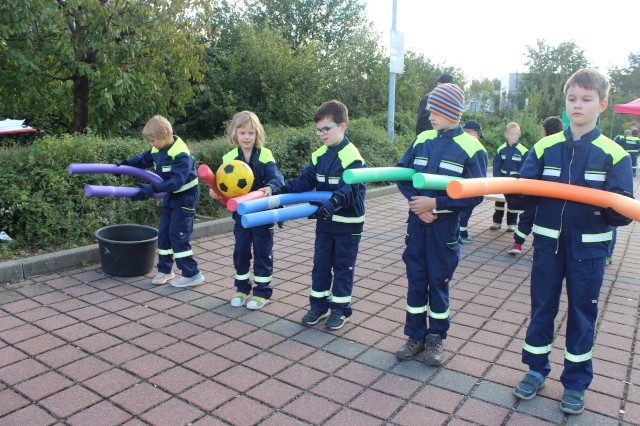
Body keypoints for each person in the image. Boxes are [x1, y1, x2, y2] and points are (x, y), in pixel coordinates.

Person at [511, 68, 633, 415]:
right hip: (547, 246)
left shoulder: (615, 155)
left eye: (586, 99)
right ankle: (535, 370)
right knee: (542, 309)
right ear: (565, 104)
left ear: (602, 105)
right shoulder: (545, 147)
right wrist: (514, 190)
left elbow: (621, 209)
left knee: (583, 313)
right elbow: (525, 196)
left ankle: (576, 383)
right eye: (572, 99)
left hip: (589, 251)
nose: (577, 105)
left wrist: (616, 208)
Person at [395, 83, 487, 366]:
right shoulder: (423, 139)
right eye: (429, 110)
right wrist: (417, 204)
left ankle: (435, 338)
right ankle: (415, 336)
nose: (430, 115)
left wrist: (436, 205)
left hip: (443, 230)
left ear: (451, 111)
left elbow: (476, 193)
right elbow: (402, 174)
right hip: (417, 225)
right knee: (415, 283)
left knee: (438, 283)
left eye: (435, 110)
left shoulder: (472, 148)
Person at [273, 100, 367, 330]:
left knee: (343, 267)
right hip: (325, 222)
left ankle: (340, 310)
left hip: (347, 225)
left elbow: (349, 190)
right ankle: (318, 306)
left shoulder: (352, 157)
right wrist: (284, 189)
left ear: (343, 127)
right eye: (319, 130)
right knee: (321, 265)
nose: (322, 134)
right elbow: (307, 181)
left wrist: (332, 203)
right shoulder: (318, 156)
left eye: (327, 129)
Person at [116, 115, 204, 287]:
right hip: (171, 195)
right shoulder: (158, 148)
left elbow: (176, 182)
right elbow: (142, 160)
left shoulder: (181, 155)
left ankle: (192, 273)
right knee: (164, 233)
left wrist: (151, 189)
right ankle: (165, 270)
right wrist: (124, 165)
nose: (151, 144)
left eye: (152, 140)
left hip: (185, 197)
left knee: (178, 235)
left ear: (164, 136)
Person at [210, 111, 284, 310]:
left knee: (262, 251)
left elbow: (276, 178)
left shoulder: (265, 155)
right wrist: (216, 193)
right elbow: (223, 186)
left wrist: (270, 187)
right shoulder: (229, 158)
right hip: (241, 215)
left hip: (262, 214)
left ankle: (262, 291)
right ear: (235, 133)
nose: (246, 137)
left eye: (251, 133)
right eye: (242, 132)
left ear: (257, 134)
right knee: (241, 251)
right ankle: (241, 288)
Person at [508, 116, 563, 255]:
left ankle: (518, 245)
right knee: (549, 226)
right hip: (557, 200)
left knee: (527, 218)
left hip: (536, 196)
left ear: (544, 131)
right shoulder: (568, 147)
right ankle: (540, 251)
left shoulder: (542, 145)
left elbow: (528, 173)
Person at [490, 122, 528, 232]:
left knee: (513, 203)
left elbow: (523, 167)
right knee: (499, 202)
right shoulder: (500, 149)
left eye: (516, 134)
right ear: (506, 134)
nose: (513, 136)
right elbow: (497, 165)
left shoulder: (523, 151)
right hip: (502, 181)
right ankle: (496, 221)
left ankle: (511, 224)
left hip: (514, 182)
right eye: (511, 134)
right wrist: (497, 178)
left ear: (519, 135)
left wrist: (518, 179)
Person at [458, 120, 488, 243]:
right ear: (471, 132)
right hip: (468, 187)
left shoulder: (455, 142)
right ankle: (462, 234)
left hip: (453, 185)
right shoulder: (477, 147)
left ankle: (460, 233)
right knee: (465, 210)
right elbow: (480, 175)